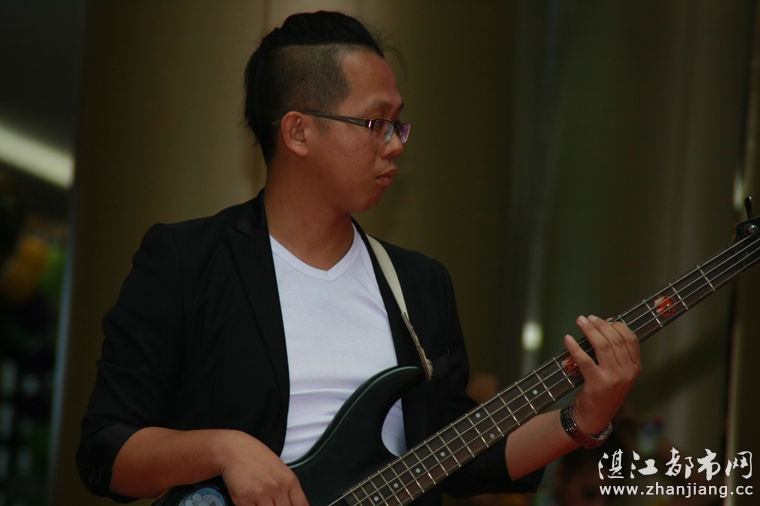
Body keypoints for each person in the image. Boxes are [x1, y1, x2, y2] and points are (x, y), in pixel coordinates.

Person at [76, 11, 641, 506]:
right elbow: (106, 452)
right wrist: (223, 449)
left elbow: (460, 458)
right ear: (298, 132)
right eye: (375, 124)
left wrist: (585, 418)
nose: (395, 144)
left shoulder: (419, 285)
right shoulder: (188, 260)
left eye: (398, 124)